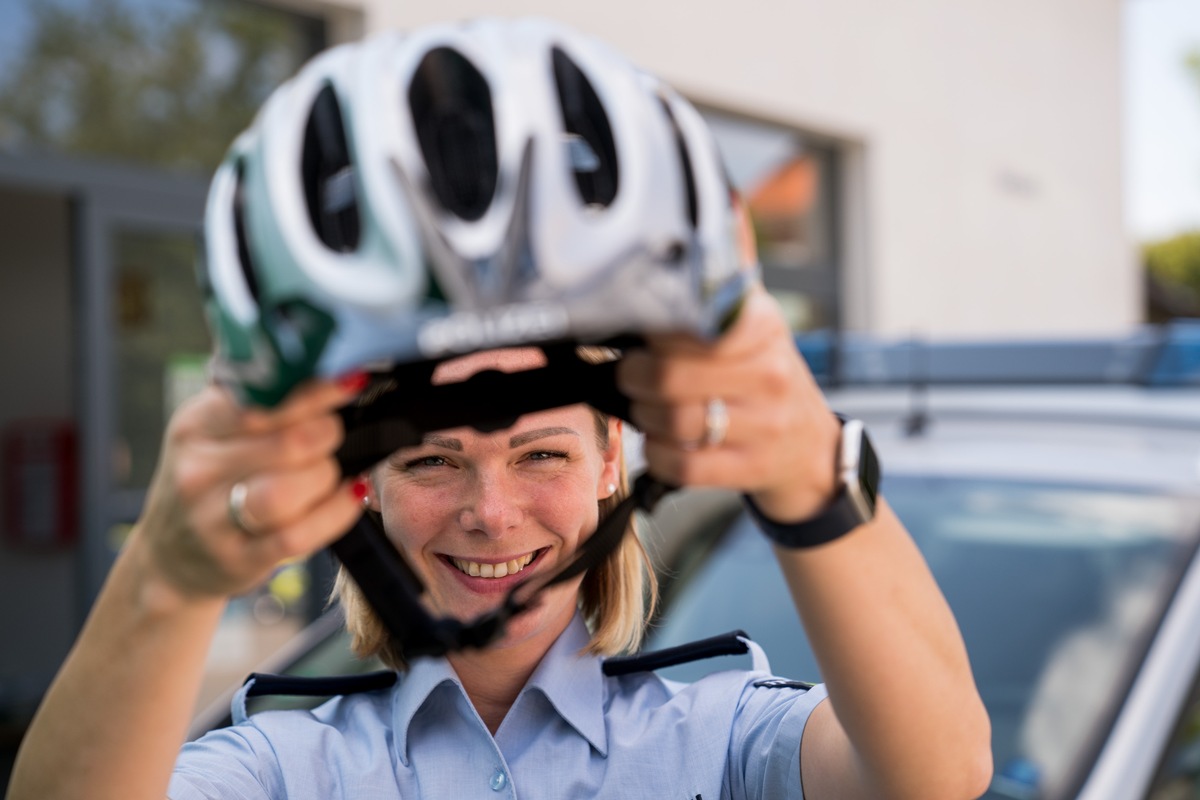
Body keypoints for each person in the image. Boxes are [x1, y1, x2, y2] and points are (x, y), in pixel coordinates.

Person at [6, 18, 991, 800]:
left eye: (541, 454)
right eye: (433, 459)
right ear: (365, 488)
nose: (490, 509)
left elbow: (936, 775)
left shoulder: (720, 733)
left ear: (615, 459)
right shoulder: (286, 763)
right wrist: (169, 575)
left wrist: (809, 469)